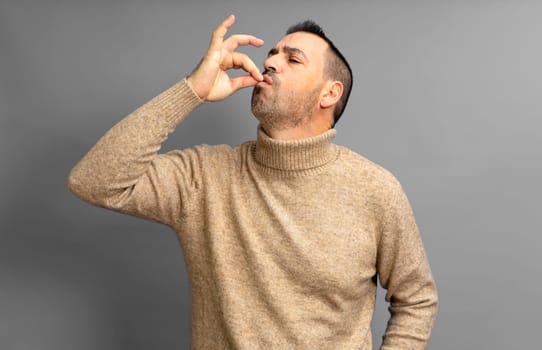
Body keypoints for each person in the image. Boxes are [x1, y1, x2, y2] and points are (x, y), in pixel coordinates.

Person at [68, 15, 437, 350]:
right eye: (272, 54)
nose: (270, 62)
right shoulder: (205, 177)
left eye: (292, 59)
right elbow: (94, 181)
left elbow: (416, 298)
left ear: (329, 93)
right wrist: (191, 91)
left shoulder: (375, 190)